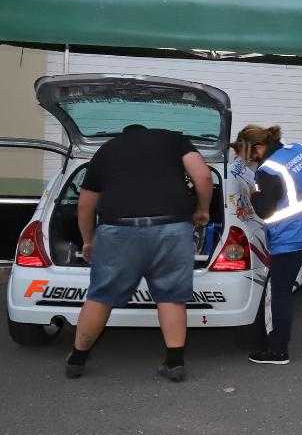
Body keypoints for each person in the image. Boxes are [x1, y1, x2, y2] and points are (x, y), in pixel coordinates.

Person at [65, 124, 212, 381]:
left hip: (118, 231)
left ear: (124, 135)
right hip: (171, 228)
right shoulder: (173, 139)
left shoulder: (107, 150)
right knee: (171, 296)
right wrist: (202, 209)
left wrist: (88, 241)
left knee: (101, 296)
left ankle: (77, 360)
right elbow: (204, 177)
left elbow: (85, 205)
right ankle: (174, 363)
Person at [230, 125, 302, 366]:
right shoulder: (300, 149)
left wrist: (253, 193)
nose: (248, 160)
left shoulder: (267, 171)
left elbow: (265, 211)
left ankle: (277, 351)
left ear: (258, 148)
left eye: (247, 154)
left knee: (279, 291)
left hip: (291, 238)